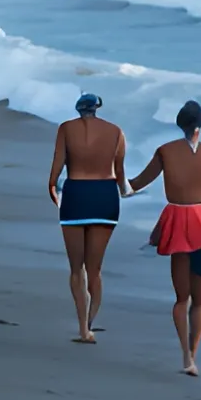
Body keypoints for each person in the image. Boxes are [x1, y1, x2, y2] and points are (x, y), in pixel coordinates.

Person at [129, 99, 201, 377]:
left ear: (180, 124)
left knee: (181, 298)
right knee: (200, 300)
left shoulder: (165, 151)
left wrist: (109, 178)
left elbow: (135, 184)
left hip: (178, 223)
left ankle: (186, 357)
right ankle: (194, 353)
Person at [47, 92, 129, 344]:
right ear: (97, 109)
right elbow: (120, 176)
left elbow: (55, 171)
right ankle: (90, 322)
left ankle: (83, 328)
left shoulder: (66, 129)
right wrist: (128, 190)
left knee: (76, 269)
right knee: (95, 269)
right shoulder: (116, 132)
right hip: (105, 195)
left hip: (76, 194)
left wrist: (54, 192)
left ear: (78, 109)